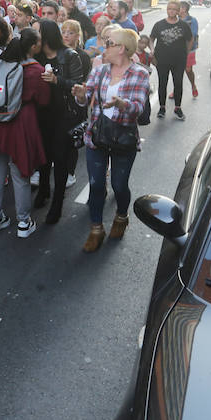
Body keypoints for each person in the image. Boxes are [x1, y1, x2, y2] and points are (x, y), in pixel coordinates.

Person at [71, 28, 150, 252]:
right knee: (96, 184)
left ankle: (121, 216)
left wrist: (121, 104)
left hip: (124, 139)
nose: (104, 47)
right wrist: (79, 95)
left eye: (109, 43)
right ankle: (96, 228)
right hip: (97, 136)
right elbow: (85, 99)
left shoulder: (140, 74)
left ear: (122, 48)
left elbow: (137, 109)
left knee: (119, 185)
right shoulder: (100, 71)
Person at [0, 29, 50, 238]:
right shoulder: (37, 71)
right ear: (33, 46)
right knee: (20, 175)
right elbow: (44, 101)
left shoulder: (2, 63)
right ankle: (24, 223)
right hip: (21, 124)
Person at [32, 20, 86, 223]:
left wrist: (57, 81)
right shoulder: (35, 55)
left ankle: (57, 203)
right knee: (43, 156)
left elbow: (78, 85)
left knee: (60, 159)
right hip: (41, 113)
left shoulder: (69, 55)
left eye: (37, 32)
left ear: (46, 35)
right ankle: (44, 189)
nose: (34, 35)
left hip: (64, 115)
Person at [149, 0, 192, 120]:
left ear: (178, 11)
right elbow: (151, 39)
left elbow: (190, 39)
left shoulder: (184, 25)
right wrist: (152, 50)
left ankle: (178, 108)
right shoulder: (159, 24)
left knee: (178, 83)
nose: (171, 11)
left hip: (179, 60)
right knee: (163, 83)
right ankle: (162, 107)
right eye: (169, 9)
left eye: (174, 9)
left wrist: (186, 53)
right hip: (161, 59)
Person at [178, 0, 199, 98]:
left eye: (179, 7)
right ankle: (176, 90)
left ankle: (193, 85)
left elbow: (193, 35)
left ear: (184, 9)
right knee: (177, 71)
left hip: (189, 49)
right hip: (177, 49)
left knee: (188, 70)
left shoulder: (192, 20)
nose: (176, 9)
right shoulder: (174, 19)